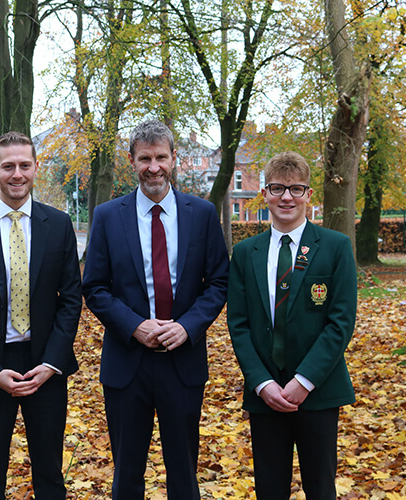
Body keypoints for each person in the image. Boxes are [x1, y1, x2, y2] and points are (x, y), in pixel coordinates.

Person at [82, 119, 229, 499]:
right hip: (127, 363)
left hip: (183, 362)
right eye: (145, 158)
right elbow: (95, 288)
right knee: (127, 476)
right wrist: (135, 326)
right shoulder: (108, 216)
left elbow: (218, 283)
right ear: (131, 161)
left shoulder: (202, 214)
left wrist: (187, 327)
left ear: (174, 159)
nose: (154, 167)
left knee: (184, 475)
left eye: (161, 157)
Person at [0, 131, 82, 500]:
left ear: (36, 168)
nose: (17, 174)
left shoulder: (57, 225)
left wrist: (52, 363)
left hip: (45, 366)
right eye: (8, 166)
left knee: (50, 478)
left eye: (25, 165)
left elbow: (71, 299)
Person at [227, 152, 357, 499]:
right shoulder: (245, 253)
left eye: (296, 189)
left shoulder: (335, 247)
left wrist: (304, 381)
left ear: (309, 195)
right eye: (278, 188)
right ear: (265, 194)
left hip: (318, 391)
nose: (287, 197)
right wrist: (261, 383)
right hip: (265, 393)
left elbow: (341, 322)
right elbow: (238, 325)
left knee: (320, 487)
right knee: (269, 489)